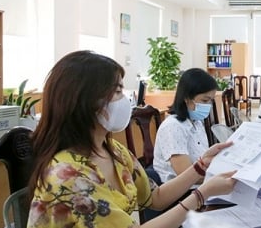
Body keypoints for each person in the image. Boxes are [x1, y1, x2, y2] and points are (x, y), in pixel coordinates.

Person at [27, 51, 236, 228]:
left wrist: (200, 166)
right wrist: (202, 194)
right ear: (86, 101)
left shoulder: (113, 150)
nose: (125, 100)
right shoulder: (68, 177)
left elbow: (155, 198)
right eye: (118, 91)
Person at [154, 68, 217, 184]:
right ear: (186, 98)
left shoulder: (197, 123)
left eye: (211, 101)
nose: (209, 105)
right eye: (204, 100)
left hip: (199, 186)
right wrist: (219, 176)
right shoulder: (173, 127)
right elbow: (186, 175)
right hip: (180, 193)